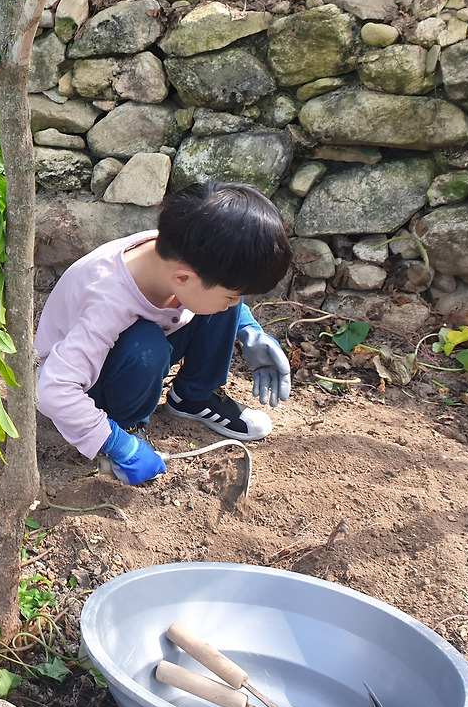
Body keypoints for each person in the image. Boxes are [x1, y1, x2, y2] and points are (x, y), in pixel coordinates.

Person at [34, 181, 293, 486]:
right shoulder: (108, 300)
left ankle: (194, 397)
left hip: (132, 345)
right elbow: (52, 390)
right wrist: (115, 442)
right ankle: (126, 427)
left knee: (219, 294)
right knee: (147, 346)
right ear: (182, 278)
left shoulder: (182, 254)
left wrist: (249, 330)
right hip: (84, 379)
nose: (236, 304)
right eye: (234, 297)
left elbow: (215, 289)